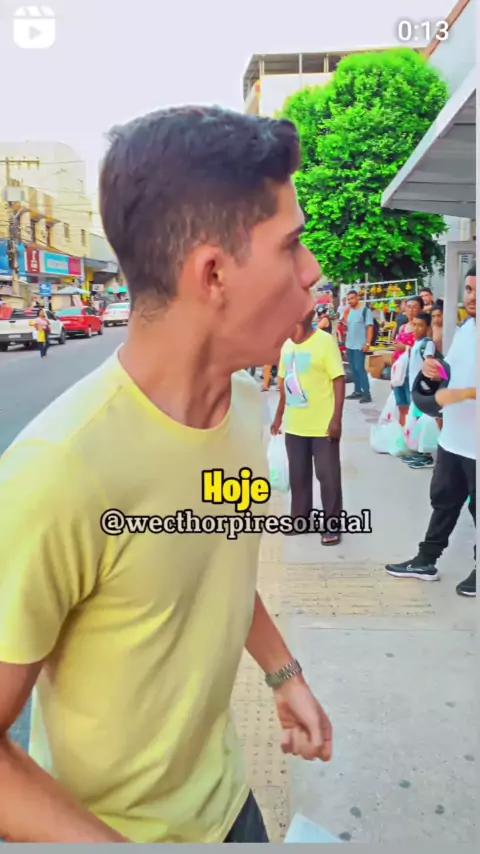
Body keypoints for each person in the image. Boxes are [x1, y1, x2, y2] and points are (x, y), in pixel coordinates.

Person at [0, 106, 333, 845]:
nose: (312, 270)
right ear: (213, 274)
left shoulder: (245, 409)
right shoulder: (58, 472)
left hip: (230, 807)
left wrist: (284, 675)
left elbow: (214, 554)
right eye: (291, 245)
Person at [386, 266, 476, 597]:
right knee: (443, 501)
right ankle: (426, 560)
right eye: (469, 289)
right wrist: (434, 371)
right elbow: (454, 372)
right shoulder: (467, 329)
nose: (472, 297)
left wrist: (464, 394)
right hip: (454, 439)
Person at [271, 309, 345, 545]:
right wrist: (278, 416)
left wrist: (336, 419)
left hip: (323, 425)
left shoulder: (325, 341)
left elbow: (338, 379)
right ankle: (300, 520)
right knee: (298, 476)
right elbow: (284, 384)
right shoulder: (287, 346)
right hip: (295, 425)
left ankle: (332, 525)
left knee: (328, 476)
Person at [391, 297, 423, 427]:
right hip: (400, 372)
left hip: (413, 372)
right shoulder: (402, 327)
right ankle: (403, 432)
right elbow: (396, 353)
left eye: (415, 307)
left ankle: (413, 433)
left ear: (421, 309)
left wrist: (405, 348)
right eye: (409, 307)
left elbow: (423, 349)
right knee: (401, 406)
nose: (411, 310)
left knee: (413, 407)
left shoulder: (421, 328)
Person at [345, 289, 374, 403]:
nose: (350, 301)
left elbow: (370, 327)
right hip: (350, 345)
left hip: (360, 346)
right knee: (353, 369)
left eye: (352, 298)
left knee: (360, 368)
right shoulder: (350, 311)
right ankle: (357, 391)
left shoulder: (365, 311)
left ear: (357, 297)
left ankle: (367, 394)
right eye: (348, 299)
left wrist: (368, 343)